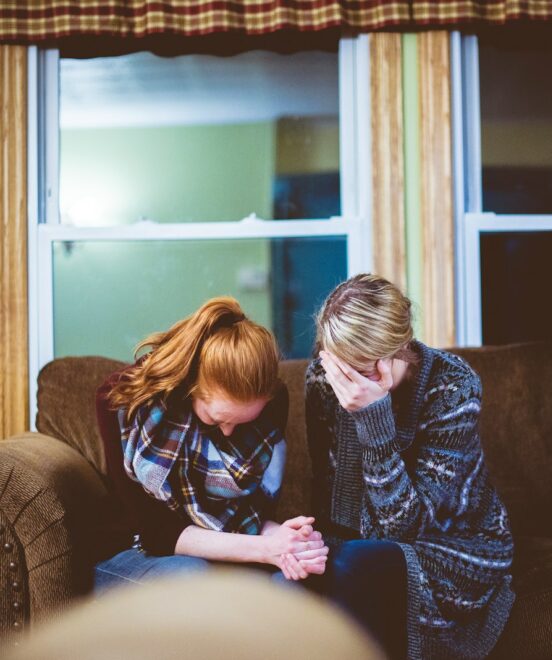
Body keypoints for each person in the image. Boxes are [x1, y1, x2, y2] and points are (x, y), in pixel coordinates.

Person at [304, 274, 515, 660]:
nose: (347, 384)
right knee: (303, 574)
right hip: (361, 544)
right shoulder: (323, 378)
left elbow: (402, 530)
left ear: (400, 348)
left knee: (357, 565)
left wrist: (374, 418)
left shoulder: (453, 386)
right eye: (340, 367)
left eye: (362, 370)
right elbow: (330, 495)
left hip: (455, 545)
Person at [94, 296, 328, 590]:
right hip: (135, 550)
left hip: (222, 550)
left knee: (293, 584)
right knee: (193, 576)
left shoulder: (272, 404)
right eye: (217, 420)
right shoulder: (121, 401)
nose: (229, 433)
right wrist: (267, 549)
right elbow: (157, 533)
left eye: (242, 422)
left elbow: (251, 518)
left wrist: (290, 541)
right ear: (190, 387)